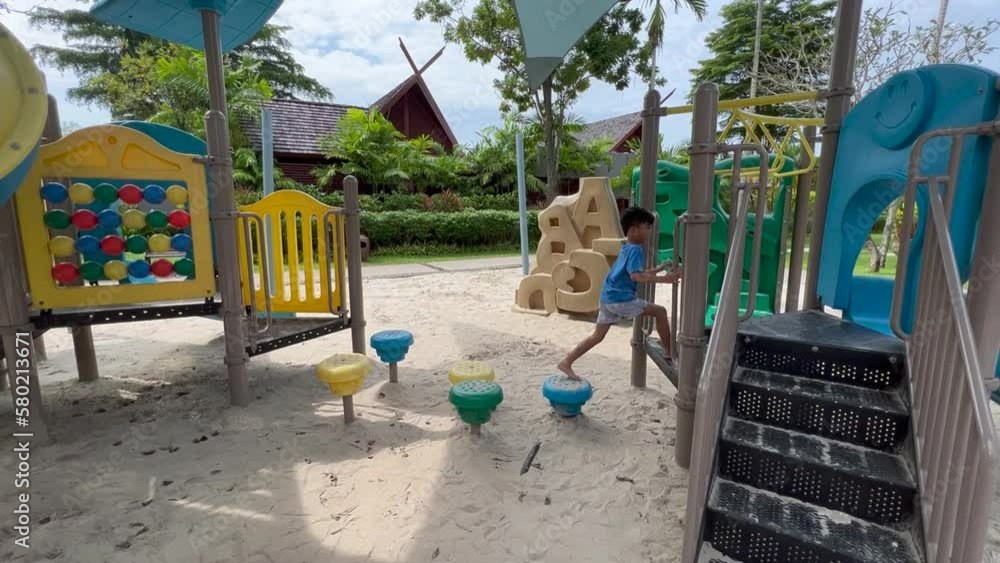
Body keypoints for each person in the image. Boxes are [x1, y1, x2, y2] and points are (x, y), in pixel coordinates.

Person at [557, 207, 680, 380]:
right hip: (621, 299)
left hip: (607, 297)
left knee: (597, 336)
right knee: (660, 311)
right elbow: (636, 276)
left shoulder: (626, 247)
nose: (649, 231)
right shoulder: (636, 250)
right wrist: (666, 279)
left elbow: (632, 273)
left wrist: (658, 269)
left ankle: (566, 362)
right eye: (647, 227)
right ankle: (669, 352)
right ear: (634, 230)